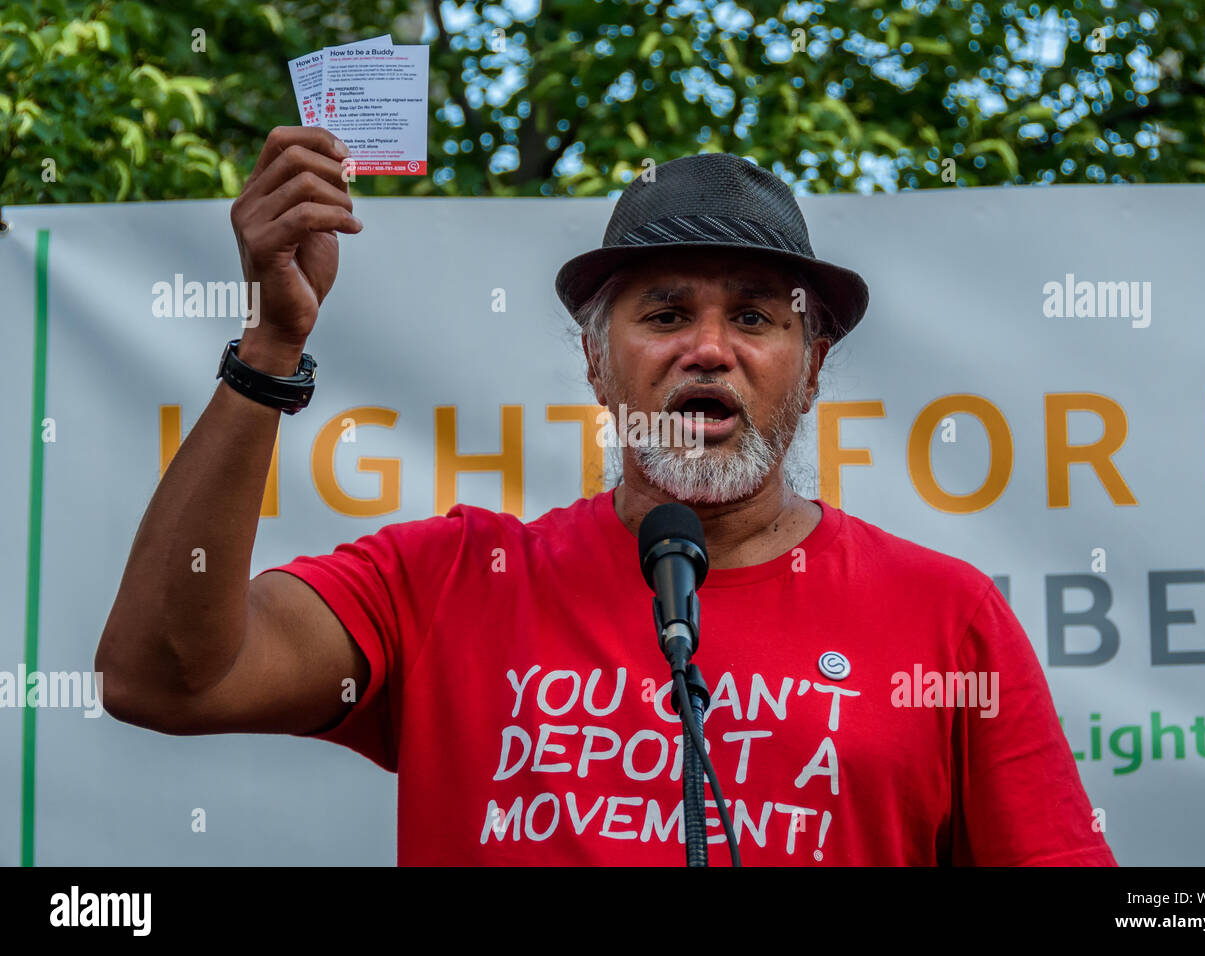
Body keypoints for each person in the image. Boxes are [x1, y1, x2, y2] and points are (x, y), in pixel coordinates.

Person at [97, 127, 1117, 866]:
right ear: (595, 359)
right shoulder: (446, 581)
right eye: (664, 311)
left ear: (810, 369)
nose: (707, 347)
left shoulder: (946, 617)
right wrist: (273, 349)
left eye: (756, 316)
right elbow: (161, 679)